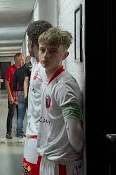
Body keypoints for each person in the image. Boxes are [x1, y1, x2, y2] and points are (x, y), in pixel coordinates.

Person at [37, 27, 83, 174]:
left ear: (64, 55)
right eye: (42, 50)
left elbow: (73, 128)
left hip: (62, 163)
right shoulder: (50, 80)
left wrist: (74, 155)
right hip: (50, 158)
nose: (45, 56)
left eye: (53, 51)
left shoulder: (64, 86)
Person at [22, 20, 52, 175]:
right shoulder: (34, 62)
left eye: (28, 41)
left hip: (41, 139)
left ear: (31, 42)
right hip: (32, 135)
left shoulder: (45, 70)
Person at [5, 52, 25, 139]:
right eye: (21, 59)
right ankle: (8, 132)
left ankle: (19, 131)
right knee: (11, 114)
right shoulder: (10, 70)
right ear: (16, 59)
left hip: (21, 95)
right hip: (13, 95)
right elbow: (7, 82)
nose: (23, 60)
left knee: (20, 115)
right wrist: (10, 96)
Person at [12, 56, 31, 140]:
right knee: (30, 114)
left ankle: (19, 133)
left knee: (20, 115)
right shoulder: (30, 71)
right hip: (29, 93)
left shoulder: (17, 71)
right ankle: (30, 131)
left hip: (20, 93)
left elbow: (13, 85)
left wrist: (15, 96)